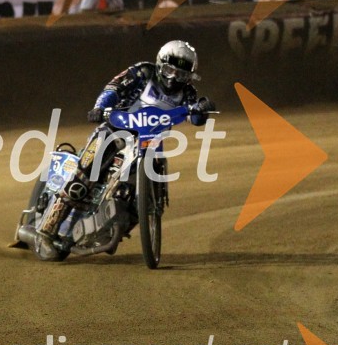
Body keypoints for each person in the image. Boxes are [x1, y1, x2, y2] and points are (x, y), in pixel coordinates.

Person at [36, 41, 216, 259]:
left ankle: (120, 219)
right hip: (115, 130)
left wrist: (202, 110)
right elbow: (114, 87)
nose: (173, 78)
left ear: (189, 77)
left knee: (135, 193)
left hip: (151, 141)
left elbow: (194, 114)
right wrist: (100, 107)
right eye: (169, 70)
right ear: (160, 65)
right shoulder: (142, 72)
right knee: (82, 178)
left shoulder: (187, 93)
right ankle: (45, 232)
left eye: (181, 75)